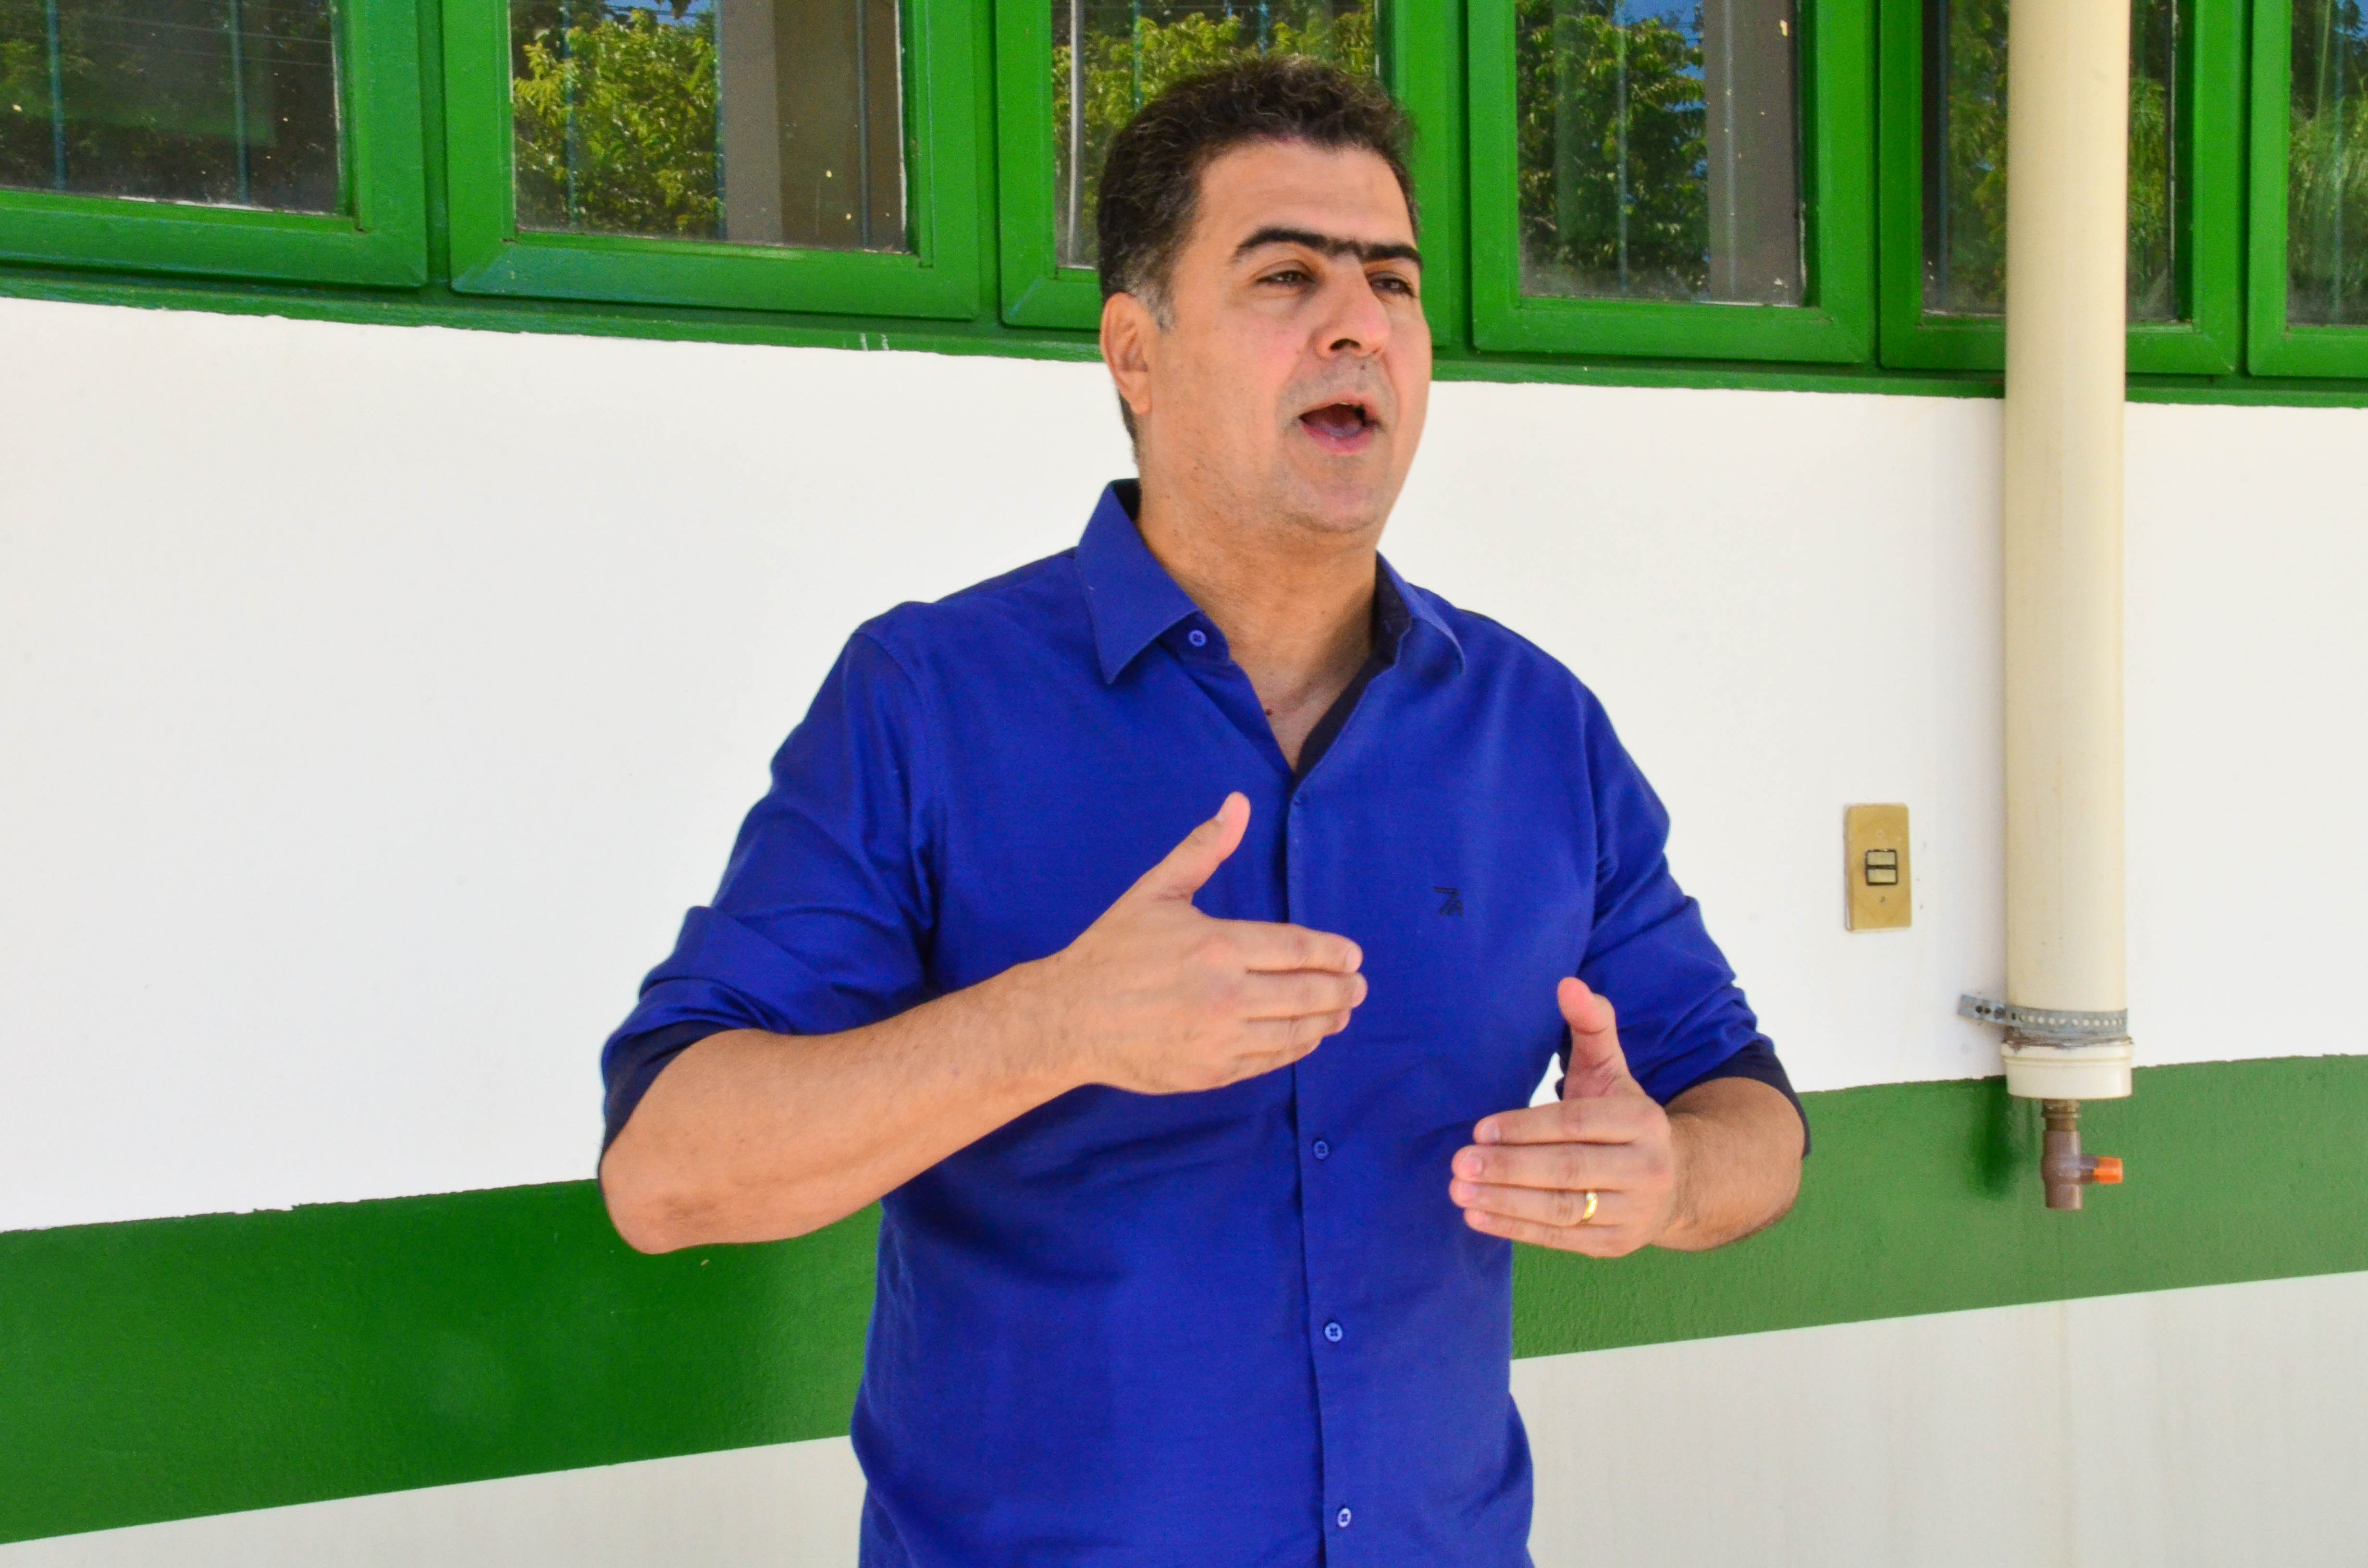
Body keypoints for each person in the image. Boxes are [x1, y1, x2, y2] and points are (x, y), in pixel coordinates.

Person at [597, 57, 1806, 1568]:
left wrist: (1672, 1176)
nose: (1359, 324)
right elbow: (666, 1172)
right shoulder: (930, 700)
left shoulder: (1537, 732)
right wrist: (1052, 1025)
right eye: (1286, 277)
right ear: (1137, 353)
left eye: (1392, 282)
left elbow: (1750, 1112)